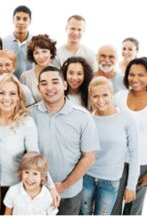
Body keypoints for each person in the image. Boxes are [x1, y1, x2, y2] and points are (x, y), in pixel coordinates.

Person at [0, 74, 58, 214]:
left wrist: (51, 187)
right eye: (2, 93)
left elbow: (35, 159)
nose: (7, 98)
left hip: (15, 191)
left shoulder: (26, 123)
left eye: (12, 93)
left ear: (18, 97)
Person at [29, 66, 99, 215]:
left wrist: (64, 185)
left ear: (65, 85)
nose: (49, 88)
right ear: (38, 88)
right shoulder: (29, 115)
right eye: (44, 83)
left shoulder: (83, 117)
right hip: (35, 192)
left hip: (69, 192)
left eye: (55, 82)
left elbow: (89, 156)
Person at [80, 76, 139, 215]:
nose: (100, 100)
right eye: (95, 96)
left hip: (110, 181)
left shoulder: (127, 118)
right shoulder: (88, 119)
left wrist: (131, 186)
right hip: (86, 178)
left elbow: (135, 154)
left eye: (105, 95)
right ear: (90, 97)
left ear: (112, 94)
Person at [112, 57, 147, 215]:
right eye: (132, 74)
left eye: (141, 75)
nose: (135, 79)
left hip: (142, 164)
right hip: (118, 161)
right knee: (113, 205)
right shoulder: (119, 97)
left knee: (133, 210)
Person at [20, 34, 57, 102]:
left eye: (44, 51)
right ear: (32, 56)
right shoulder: (25, 76)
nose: (41, 56)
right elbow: (23, 101)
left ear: (51, 53)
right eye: (36, 53)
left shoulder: (59, 73)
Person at [3, 5, 33, 78]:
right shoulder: (3, 42)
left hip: (30, 85)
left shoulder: (35, 42)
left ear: (30, 21)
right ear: (13, 20)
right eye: (18, 18)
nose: (21, 22)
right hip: (9, 85)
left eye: (25, 19)